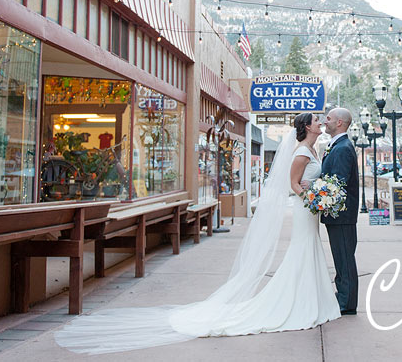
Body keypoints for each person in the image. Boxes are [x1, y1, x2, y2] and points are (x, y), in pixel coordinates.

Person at [53, 113, 340, 354]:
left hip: (311, 209)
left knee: (310, 248)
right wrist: (314, 197)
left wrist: (318, 194)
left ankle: (313, 298)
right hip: (306, 209)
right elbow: (292, 184)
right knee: (302, 249)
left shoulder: (315, 150)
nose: (320, 122)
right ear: (306, 127)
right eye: (316, 120)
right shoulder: (301, 152)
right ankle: (299, 301)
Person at [319, 107, 360, 314]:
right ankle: (343, 296)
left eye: (329, 119)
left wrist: (317, 197)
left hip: (342, 214)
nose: (325, 121)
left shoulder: (343, 148)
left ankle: (347, 303)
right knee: (341, 257)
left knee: (344, 258)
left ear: (340, 123)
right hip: (338, 214)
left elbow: (338, 184)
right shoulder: (337, 145)